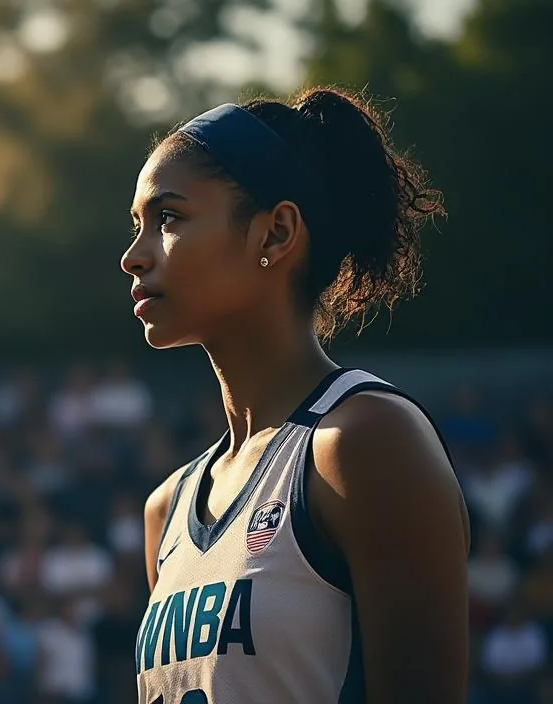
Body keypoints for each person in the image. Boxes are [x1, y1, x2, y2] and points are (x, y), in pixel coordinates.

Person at [123, 88, 469, 703]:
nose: (133, 257)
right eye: (139, 226)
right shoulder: (166, 509)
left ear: (276, 232)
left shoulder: (363, 444)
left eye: (168, 219)